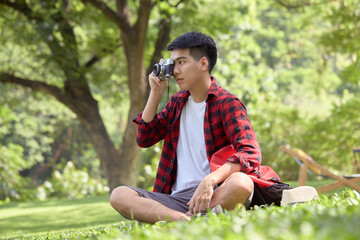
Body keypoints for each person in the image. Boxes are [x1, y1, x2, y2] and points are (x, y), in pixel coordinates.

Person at [110, 31, 283, 224]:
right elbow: (144, 139)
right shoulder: (177, 103)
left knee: (241, 183)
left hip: (215, 192)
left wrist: (209, 180)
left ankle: (178, 220)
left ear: (203, 64)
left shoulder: (226, 102)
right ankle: (186, 221)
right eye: (173, 63)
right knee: (119, 195)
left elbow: (250, 152)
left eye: (181, 62)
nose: (175, 71)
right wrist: (156, 93)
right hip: (176, 198)